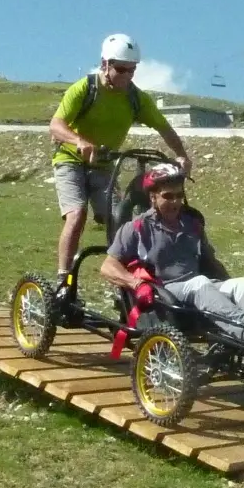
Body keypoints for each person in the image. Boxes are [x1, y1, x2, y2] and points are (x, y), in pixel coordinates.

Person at [100, 163, 244, 342]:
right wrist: (136, 284)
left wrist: (230, 290)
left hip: (197, 287)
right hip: (164, 293)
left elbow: (210, 261)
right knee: (200, 284)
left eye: (179, 195)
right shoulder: (136, 228)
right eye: (168, 196)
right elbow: (108, 266)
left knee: (243, 284)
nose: (175, 202)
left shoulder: (191, 224)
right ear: (153, 198)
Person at [49, 33, 191, 294]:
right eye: (122, 69)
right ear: (105, 64)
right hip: (70, 161)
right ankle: (63, 279)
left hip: (103, 166)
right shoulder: (84, 89)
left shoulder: (136, 98)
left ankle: (125, 281)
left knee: (121, 219)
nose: (127, 76)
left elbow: (164, 128)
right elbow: (56, 125)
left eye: (132, 70)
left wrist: (181, 155)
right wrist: (79, 141)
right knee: (77, 214)